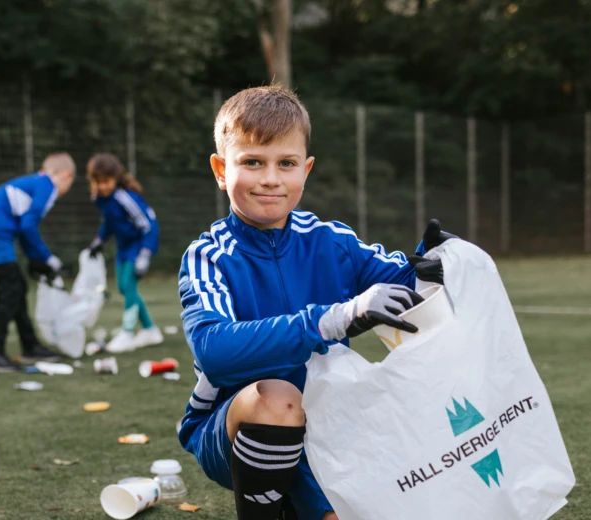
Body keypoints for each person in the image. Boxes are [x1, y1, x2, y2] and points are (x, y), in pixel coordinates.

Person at [176, 86, 453, 520]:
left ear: (305, 170)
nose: (271, 178)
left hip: (331, 425)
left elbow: (406, 283)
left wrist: (435, 258)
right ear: (220, 169)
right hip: (235, 427)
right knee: (278, 398)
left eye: (286, 163)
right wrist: (333, 319)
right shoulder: (209, 256)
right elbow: (214, 352)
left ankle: (295, 501)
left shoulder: (331, 240)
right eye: (252, 162)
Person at [0, 152, 77, 373]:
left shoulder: (35, 183)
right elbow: (28, 226)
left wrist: (36, 259)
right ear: (66, 175)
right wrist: (47, 258)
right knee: (11, 290)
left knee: (18, 288)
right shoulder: (47, 186)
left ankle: (30, 346)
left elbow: (23, 226)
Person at [84, 153, 164, 353]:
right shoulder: (99, 198)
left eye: (107, 181)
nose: (103, 186)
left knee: (128, 286)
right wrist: (98, 241)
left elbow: (148, 226)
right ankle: (150, 330)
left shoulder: (125, 198)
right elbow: (108, 222)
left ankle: (127, 333)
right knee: (124, 287)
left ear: (116, 178)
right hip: (123, 246)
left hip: (139, 244)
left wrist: (145, 255)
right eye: (98, 181)